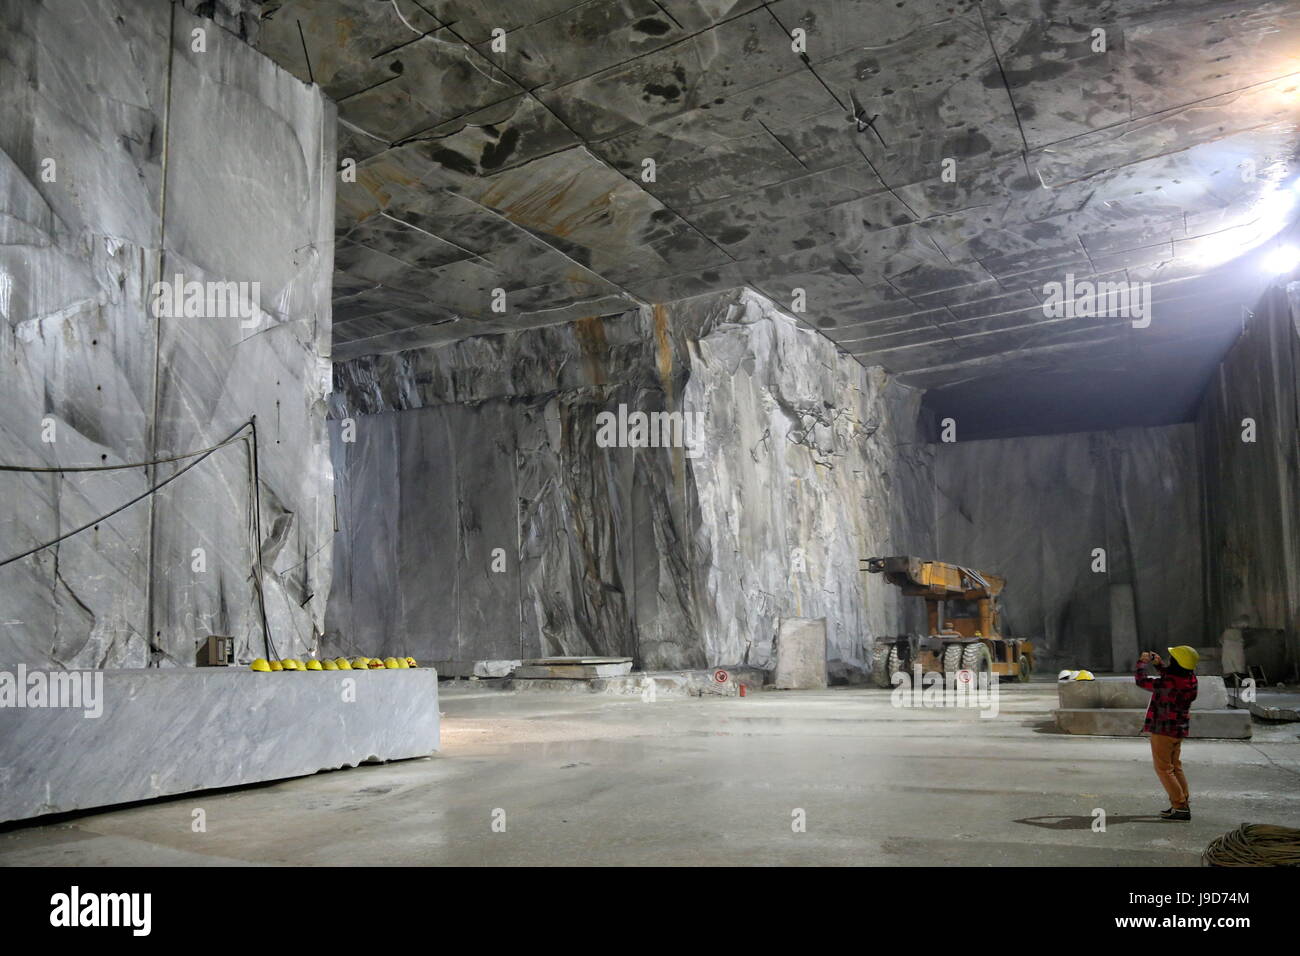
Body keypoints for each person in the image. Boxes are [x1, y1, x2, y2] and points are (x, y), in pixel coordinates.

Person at [1135, 646, 1199, 820]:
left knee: (1163, 769)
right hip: (1178, 729)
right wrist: (1159, 665)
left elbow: (1141, 681)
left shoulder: (1169, 681)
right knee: (1175, 767)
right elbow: (1171, 676)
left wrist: (1142, 663)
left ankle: (1179, 806)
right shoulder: (1191, 679)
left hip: (1163, 729)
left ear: (1176, 663)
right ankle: (1182, 802)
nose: (1169, 660)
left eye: (1172, 659)